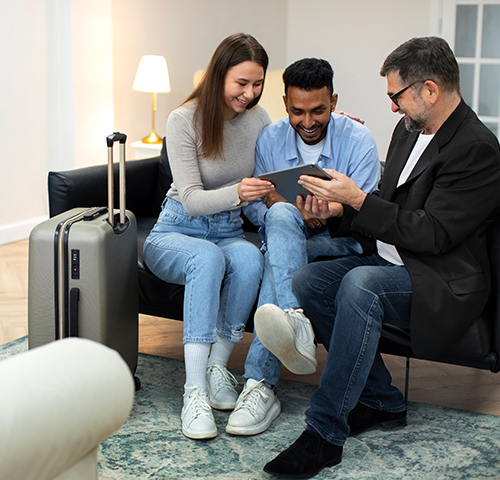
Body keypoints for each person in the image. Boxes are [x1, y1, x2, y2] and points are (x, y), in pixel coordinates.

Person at [258, 36, 500, 478]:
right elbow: (388, 207)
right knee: (309, 280)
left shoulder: (477, 148)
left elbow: (433, 233)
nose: (391, 107)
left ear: (430, 90)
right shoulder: (409, 130)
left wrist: (356, 198)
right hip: (392, 260)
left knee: (360, 285)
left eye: (397, 95)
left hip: (440, 277)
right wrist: (338, 211)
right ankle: (381, 400)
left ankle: (324, 433)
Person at [225, 58, 380, 436]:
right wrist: (289, 211)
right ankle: (294, 322)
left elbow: (368, 212)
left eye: (318, 111)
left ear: (334, 101)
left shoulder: (359, 140)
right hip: (286, 235)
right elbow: (255, 207)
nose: (307, 122)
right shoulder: (270, 138)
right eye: (297, 111)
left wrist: (326, 214)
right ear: (284, 104)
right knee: (280, 220)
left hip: (341, 243)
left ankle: (260, 384)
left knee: (279, 259)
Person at [143, 33, 275, 440]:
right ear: (219, 75)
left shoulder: (259, 119)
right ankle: (194, 390)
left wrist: (335, 127)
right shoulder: (184, 119)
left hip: (229, 230)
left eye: (258, 84)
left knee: (250, 259)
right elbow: (192, 199)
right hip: (177, 229)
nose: (249, 94)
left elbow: (283, 158)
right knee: (207, 257)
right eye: (242, 83)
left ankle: (218, 366)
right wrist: (239, 192)